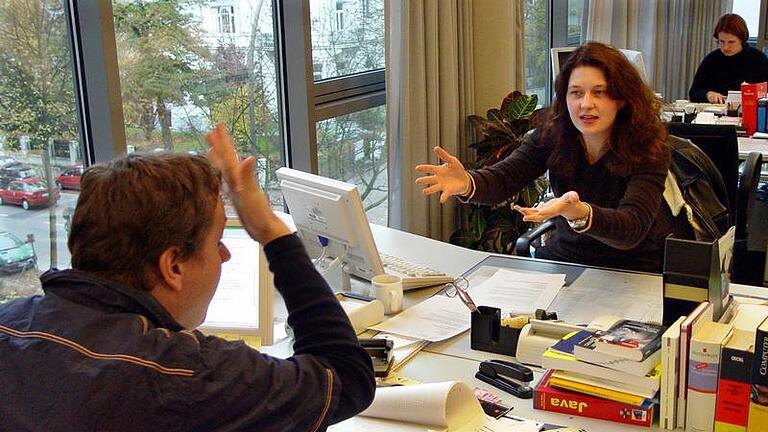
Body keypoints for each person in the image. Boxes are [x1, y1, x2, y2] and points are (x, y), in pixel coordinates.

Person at [0, 124, 375, 431]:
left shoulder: (10, 324)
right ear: (173, 266)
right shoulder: (185, 374)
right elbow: (346, 377)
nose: (224, 255)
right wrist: (270, 231)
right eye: (216, 242)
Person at [416, 42, 693, 273]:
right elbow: (505, 177)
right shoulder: (554, 135)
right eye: (576, 93)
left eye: (599, 93)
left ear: (621, 99)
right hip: (565, 262)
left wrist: (580, 213)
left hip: (632, 269)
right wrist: (466, 182)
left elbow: (632, 227)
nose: (586, 104)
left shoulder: (648, 146)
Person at [689, 13, 768, 104]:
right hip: (715, 114)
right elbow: (694, 92)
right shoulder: (711, 60)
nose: (726, 47)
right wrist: (707, 94)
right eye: (722, 41)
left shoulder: (758, 59)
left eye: (731, 42)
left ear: (742, 39)